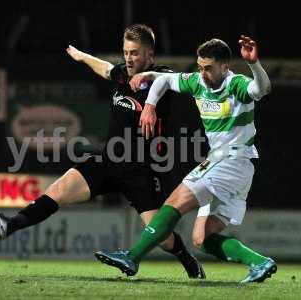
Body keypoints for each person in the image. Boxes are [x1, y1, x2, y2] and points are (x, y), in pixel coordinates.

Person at [0, 24, 205, 279]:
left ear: (149, 56)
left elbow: (172, 80)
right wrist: (83, 56)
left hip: (140, 171)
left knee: (162, 238)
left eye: (135, 53)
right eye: (126, 52)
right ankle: (9, 225)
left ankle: (188, 261)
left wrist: (151, 82)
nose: (129, 58)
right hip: (108, 161)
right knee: (58, 190)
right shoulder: (122, 74)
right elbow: (107, 69)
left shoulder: (163, 77)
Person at [95, 36, 277, 284]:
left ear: (225, 66)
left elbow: (261, 89)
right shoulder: (197, 82)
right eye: (200, 67)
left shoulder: (237, 85)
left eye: (208, 68)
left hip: (230, 161)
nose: (202, 73)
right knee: (202, 238)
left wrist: (254, 64)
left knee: (174, 201)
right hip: (235, 169)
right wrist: (149, 104)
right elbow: (167, 81)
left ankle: (132, 256)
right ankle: (259, 262)